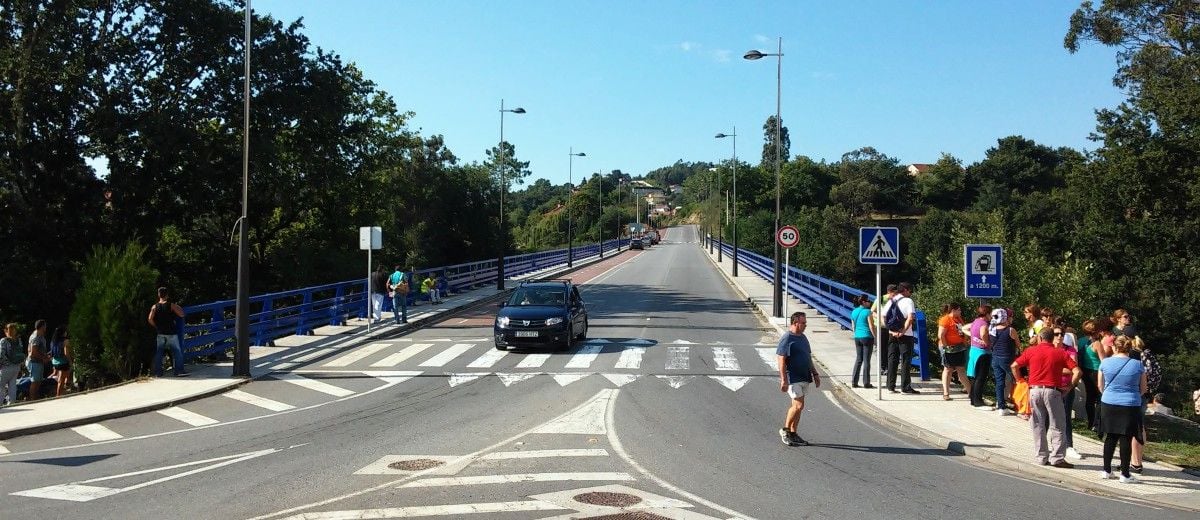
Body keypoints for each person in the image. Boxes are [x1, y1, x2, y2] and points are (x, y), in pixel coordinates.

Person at [1012, 328, 1081, 468]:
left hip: (1034, 390)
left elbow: (1014, 365)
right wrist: (1069, 387)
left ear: (1040, 338)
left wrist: (1020, 380)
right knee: (1058, 424)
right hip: (1052, 391)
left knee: (1037, 424)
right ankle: (1057, 458)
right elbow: (1077, 371)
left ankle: (1041, 457)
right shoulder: (1060, 353)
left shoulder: (1031, 351)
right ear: (1051, 338)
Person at [1098, 336, 1146, 483]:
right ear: (1130, 348)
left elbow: (1100, 386)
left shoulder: (1105, 363)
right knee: (1126, 438)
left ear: (1114, 347)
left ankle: (1106, 470)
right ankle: (1125, 474)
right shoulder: (1137, 365)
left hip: (1108, 402)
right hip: (1130, 404)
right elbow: (1143, 388)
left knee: (1110, 437)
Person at [777, 312, 822, 446]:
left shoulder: (803, 338)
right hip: (793, 377)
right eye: (803, 323)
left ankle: (793, 432)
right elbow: (781, 359)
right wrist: (783, 379)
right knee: (799, 405)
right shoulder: (787, 338)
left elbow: (808, 357)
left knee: (798, 407)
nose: (805, 325)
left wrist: (815, 373)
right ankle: (785, 430)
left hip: (804, 376)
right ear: (795, 323)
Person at [1052, 325, 1083, 461]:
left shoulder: (1069, 350)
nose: (1059, 336)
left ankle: (1069, 445)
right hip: (1050, 386)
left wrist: (1055, 368)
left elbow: (1073, 369)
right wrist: (1062, 367)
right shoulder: (1048, 348)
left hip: (1066, 387)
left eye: (1062, 334)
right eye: (1057, 334)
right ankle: (1049, 445)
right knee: (1048, 416)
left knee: (1065, 416)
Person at [883, 282, 918, 394]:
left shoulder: (891, 300)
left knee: (892, 359)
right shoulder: (908, 301)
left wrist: (891, 330)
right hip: (906, 335)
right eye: (910, 291)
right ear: (906, 290)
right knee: (905, 361)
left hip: (892, 334)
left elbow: (883, 316)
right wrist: (903, 331)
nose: (910, 293)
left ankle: (890, 386)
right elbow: (910, 318)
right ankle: (905, 387)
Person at [148, 287, 189, 377]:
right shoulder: (171, 305)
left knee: (159, 352)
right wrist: (177, 306)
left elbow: (150, 319)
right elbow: (181, 314)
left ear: (159, 295)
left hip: (160, 333)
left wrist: (156, 326)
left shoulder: (154, 306)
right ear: (167, 295)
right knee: (177, 352)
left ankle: (158, 372)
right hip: (171, 332)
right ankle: (179, 371)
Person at [937, 302, 971, 401]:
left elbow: (962, 330)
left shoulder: (958, 319)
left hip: (959, 347)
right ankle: (946, 393)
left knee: (961, 369)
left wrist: (965, 341)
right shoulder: (945, 320)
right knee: (948, 369)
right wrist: (946, 347)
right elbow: (941, 335)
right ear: (953, 310)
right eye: (959, 310)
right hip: (948, 348)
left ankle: (970, 392)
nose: (960, 312)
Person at [990, 308, 1020, 416]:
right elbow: (1018, 344)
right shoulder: (1010, 330)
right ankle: (1020, 404)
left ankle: (1001, 406)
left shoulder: (992, 330)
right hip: (1008, 359)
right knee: (1017, 379)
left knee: (999, 382)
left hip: (995, 358)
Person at [1077, 319, 1105, 431]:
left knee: (1089, 397)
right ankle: (1096, 423)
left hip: (1085, 371)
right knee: (1100, 397)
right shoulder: (1097, 343)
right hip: (1096, 371)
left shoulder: (1080, 341)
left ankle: (1090, 422)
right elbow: (1103, 360)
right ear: (1097, 331)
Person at [967, 304, 993, 409]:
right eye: (990, 314)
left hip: (974, 351)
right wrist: (987, 343)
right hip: (982, 353)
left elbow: (967, 329)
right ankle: (978, 401)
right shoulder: (984, 324)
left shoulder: (975, 322)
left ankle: (973, 399)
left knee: (975, 376)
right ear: (987, 314)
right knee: (981, 377)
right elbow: (983, 334)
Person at [871, 284, 898, 376]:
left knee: (891, 347)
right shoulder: (880, 299)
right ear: (889, 292)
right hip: (881, 327)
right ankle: (883, 367)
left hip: (891, 327)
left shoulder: (895, 300)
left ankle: (889, 367)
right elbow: (872, 311)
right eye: (894, 293)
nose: (895, 295)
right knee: (882, 348)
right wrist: (881, 317)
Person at [849, 295, 874, 388]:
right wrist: (875, 337)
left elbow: (853, 326)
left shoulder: (854, 311)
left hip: (857, 337)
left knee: (859, 359)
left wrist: (856, 334)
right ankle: (866, 382)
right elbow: (871, 326)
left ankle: (854, 382)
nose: (869, 302)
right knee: (867, 360)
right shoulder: (868, 312)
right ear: (863, 302)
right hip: (867, 336)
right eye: (868, 301)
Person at [25, 319, 50, 399]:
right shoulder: (36, 336)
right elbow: (33, 352)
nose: (46, 327)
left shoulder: (41, 336)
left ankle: (35, 398)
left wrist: (45, 356)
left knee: (38, 381)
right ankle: (32, 400)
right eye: (45, 326)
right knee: (35, 382)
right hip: (34, 362)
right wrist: (44, 358)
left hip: (39, 362)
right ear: (42, 326)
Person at [0, 323, 23, 405]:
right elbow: (21, 353)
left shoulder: (4, 340)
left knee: (1, 386)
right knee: (12, 385)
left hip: (6, 367)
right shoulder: (18, 340)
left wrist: (3, 364)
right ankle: (11, 403)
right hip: (16, 366)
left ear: (6, 330)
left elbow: (1, 354)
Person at [48, 326, 72, 397]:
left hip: (55, 362)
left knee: (61, 377)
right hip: (63, 362)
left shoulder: (53, 341)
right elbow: (66, 353)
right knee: (61, 380)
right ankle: (58, 395)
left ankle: (62, 392)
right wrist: (70, 361)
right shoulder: (65, 341)